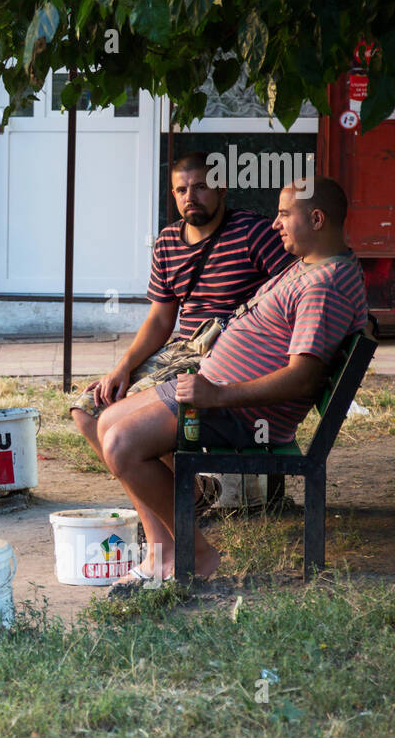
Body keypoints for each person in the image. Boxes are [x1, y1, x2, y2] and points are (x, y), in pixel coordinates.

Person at [96, 178, 369, 592]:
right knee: (105, 423)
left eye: (284, 214)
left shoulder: (324, 285)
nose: (275, 224)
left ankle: (195, 554)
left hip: (242, 412)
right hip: (216, 393)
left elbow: (303, 378)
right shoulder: (312, 265)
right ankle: (162, 552)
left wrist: (218, 394)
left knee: (121, 443)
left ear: (316, 219)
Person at [71, 151, 293, 506]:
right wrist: (123, 367)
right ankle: (187, 496)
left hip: (229, 354)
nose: (191, 196)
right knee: (88, 408)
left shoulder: (254, 233)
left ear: (222, 189)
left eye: (201, 186)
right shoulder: (167, 241)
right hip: (182, 349)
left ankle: (178, 503)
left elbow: (293, 289)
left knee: (130, 414)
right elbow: (161, 319)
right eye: (181, 190)